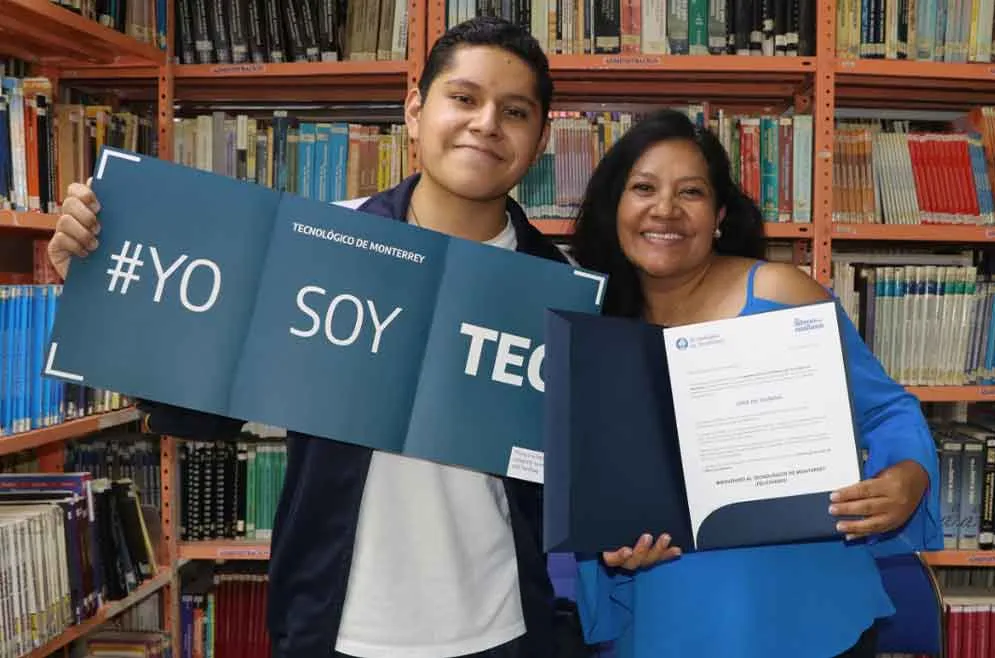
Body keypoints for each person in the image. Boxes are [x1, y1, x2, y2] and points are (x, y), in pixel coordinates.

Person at [48, 16, 584, 658]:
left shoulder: (559, 293)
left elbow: (579, 481)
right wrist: (100, 282)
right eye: (464, 98)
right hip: (334, 628)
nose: (486, 123)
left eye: (515, 111)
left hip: (505, 630)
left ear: (541, 136)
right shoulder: (321, 242)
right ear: (414, 110)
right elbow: (202, 403)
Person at [567, 108, 942, 658]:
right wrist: (609, 550)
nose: (664, 209)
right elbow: (588, 494)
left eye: (690, 192)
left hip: (805, 617)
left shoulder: (780, 291)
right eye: (643, 188)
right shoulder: (588, 327)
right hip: (661, 619)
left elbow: (886, 410)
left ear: (718, 214)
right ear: (614, 209)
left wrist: (908, 475)